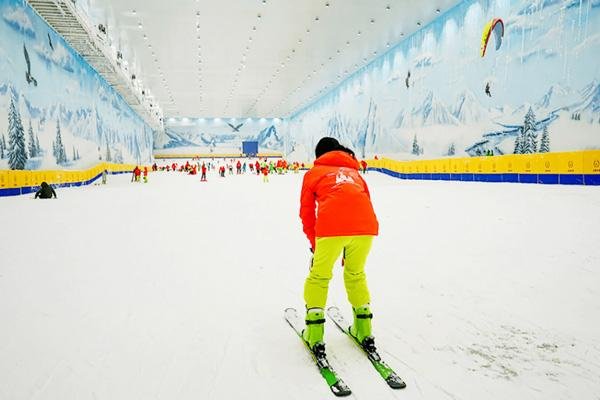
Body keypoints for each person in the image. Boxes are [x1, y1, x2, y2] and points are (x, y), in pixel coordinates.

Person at [299, 137, 379, 354]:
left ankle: (315, 335)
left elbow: (306, 213)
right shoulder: (355, 173)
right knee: (356, 274)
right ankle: (364, 329)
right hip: (366, 227)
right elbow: (364, 202)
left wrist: (315, 243)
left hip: (331, 228)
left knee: (319, 276)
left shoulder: (313, 173)